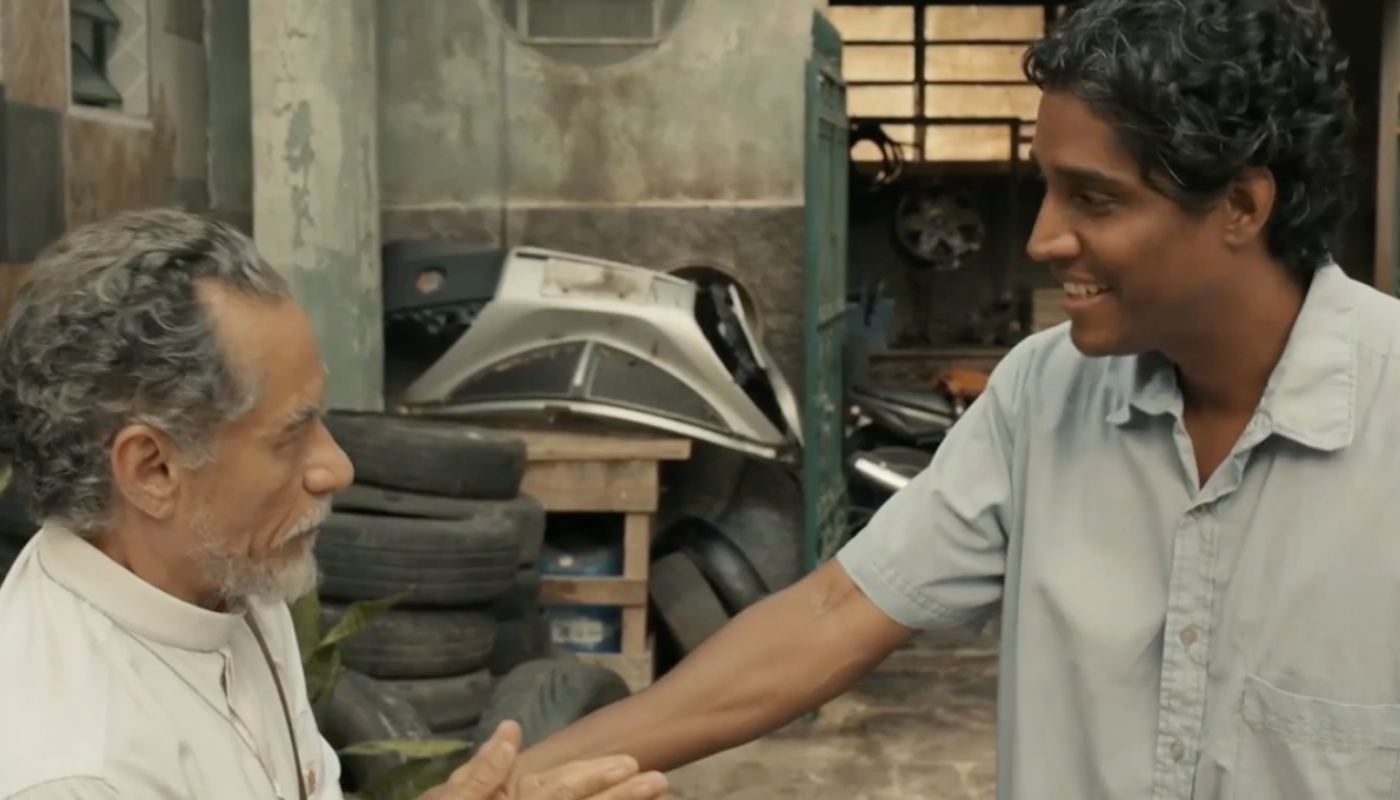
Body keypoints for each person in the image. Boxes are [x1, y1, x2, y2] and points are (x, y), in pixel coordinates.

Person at [512, 1, 1391, 798]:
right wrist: (515, 786)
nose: (1044, 237)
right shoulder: (1046, 393)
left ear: (1240, 205)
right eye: (1049, 186)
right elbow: (836, 612)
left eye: (1094, 198)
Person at [0, 208, 668, 800]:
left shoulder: (230, 580)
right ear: (152, 469)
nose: (337, 467)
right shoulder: (73, 769)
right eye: (291, 435)